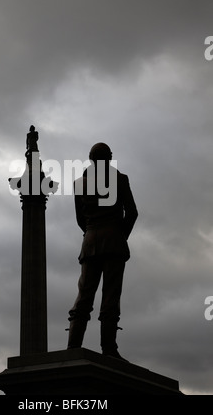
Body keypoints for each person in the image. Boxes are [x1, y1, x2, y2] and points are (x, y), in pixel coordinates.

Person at [67, 143, 138, 361]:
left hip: (90, 242)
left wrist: (91, 232)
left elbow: (80, 218)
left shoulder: (80, 184)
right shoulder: (120, 179)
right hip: (114, 241)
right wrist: (119, 235)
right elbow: (132, 213)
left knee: (84, 295)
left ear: (90, 159)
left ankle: (73, 347)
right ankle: (109, 348)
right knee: (111, 296)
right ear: (109, 159)